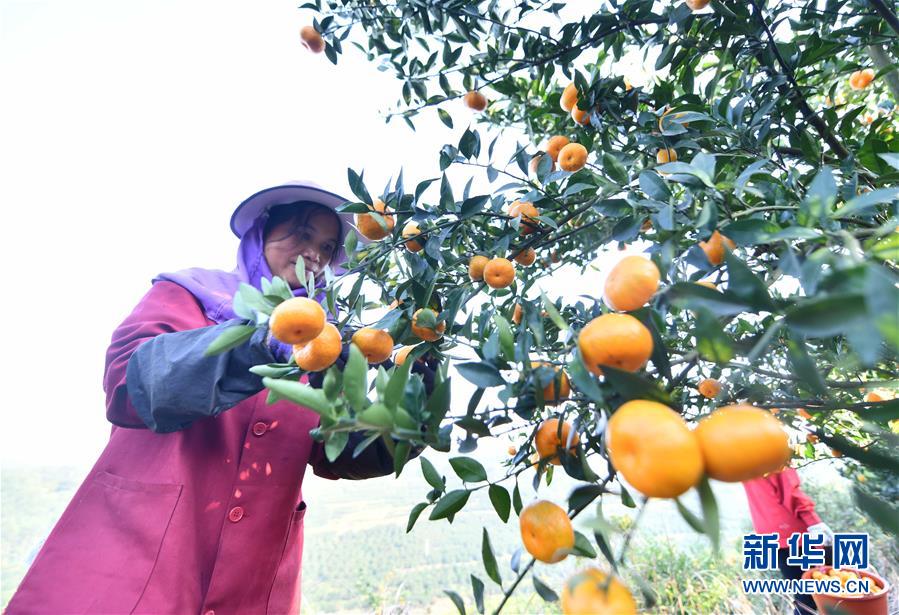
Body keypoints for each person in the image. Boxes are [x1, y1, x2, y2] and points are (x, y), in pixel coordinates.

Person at [6, 181, 429, 615]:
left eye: (326, 245)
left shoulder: (323, 345)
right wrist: (255, 342)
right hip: (137, 559)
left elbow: (336, 452)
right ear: (262, 232)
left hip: (252, 579)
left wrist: (409, 414)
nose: (315, 254)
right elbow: (129, 386)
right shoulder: (187, 296)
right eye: (301, 234)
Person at [743, 466, 835, 615]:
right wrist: (814, 523)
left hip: (773, 535)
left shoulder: (739, 455)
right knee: (831, 587)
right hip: (796, 532)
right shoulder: (768, 450)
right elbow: (789, 490)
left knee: (806, 597)